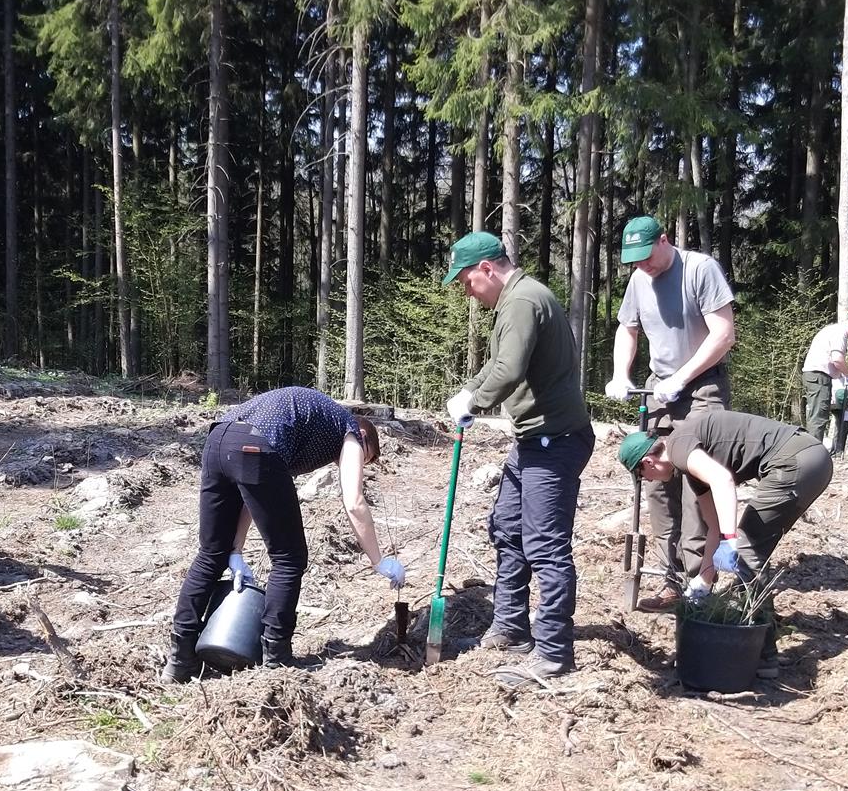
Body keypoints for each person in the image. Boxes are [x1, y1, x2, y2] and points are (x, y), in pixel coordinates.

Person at [166, 387, 405, 682]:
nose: (351, 464)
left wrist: (236, 550)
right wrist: (379, 561)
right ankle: (276, 658)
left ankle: (180, 659)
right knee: (289, 558)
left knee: (211, 553)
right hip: (255, 446)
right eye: (366, 460)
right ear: (365, 440)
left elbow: (253, 492)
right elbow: (354, 501)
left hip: (219, 439)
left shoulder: (306, 428)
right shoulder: (351, 429)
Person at [441, 231, 593, 686]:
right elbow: (499, 363)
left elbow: (509, 371)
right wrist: (469, 389)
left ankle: (552, 653)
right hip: (534, 440)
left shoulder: (523, 301)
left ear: (487, 269)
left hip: (556, 440)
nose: (467, 292)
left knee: (545, 545)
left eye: (467, 281)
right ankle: (510, 627)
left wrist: (476, 402)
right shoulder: (516, 301)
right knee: (508, 528)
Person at [616, 410, 834, 678]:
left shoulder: (679, 446)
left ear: (648, 461)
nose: (647, 481)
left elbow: (723, 480)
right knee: (751, 549)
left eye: (642, 475)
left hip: (796, 462)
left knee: (747, 552)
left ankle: (764, 657)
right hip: (809, 461)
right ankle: (760, 650)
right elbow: (714, 527)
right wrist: (704, 579)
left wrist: (732, 542)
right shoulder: (692, 468)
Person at [603, 216, 736, 598]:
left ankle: (700, 576)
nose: (642, 265)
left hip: (702, 387)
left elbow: (724, 334)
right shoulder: (638, 280)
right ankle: (667, 575)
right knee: (657, 478)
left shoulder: (700, 270)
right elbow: (627, 328)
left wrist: (682, 376)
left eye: (646, 255)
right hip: (658, 390)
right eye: (634, 260)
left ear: (665, 240)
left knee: (697, 482)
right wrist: (619, 374)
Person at [800, 314, 848, 451]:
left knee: (818, 414)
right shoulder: (839, 333)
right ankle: (813, 453)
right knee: (819, 415)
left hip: (818, 376)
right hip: (819, 376)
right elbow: (837, 359)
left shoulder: (831, 330)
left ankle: (812, 451)